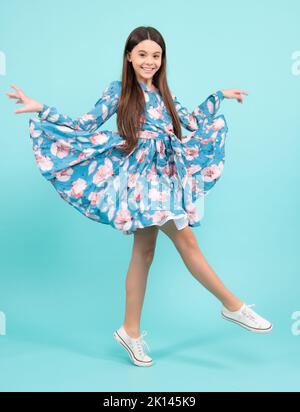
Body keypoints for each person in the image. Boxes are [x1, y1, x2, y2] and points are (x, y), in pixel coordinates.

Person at [5, 26, 272, 368]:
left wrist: (218, 95)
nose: (149, 61)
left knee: (144, 253)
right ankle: (233, 305)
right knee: (186, 240)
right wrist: (41, 108)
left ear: (163, 60)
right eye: (142, 54)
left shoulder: (165, 93)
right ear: (129, 56)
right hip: (141, 179)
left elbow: (190, 122)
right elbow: (85, 124)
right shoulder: (118, 91)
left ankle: (130, 331)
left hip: (167, 175)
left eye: (156, 55)